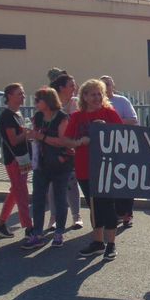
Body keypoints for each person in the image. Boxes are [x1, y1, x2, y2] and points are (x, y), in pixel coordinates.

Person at [65, 79, 123, 261]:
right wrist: (79, 142)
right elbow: (66, 140)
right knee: (93, 207)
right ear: (85, 96)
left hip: (107, 167)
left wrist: (106, 130)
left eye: (100, 94)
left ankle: (111, 244)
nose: (97, 98)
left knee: (107, 205)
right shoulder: (77, 117)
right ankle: (98, 242)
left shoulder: (110, 114)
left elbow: (124, 137)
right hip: (84, 167)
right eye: (93, 94)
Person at [26, 87, 72, 249]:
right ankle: (37, 233)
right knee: (38, 198)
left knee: (60, 198)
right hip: (42, 163)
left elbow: (63, 141)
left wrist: (41, 136)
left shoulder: (61, 117)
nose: (36, 103)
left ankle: (59, 232)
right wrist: (31, 134)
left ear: (48, 101)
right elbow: (35, 136)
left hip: (60, 163)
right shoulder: (38, 117)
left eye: (39, 100)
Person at [0, 83, 33, 239]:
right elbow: (13, 140)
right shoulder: (7, 116)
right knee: (21, 192)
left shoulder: (18, 113)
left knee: (16, 191)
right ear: (9, 96)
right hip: (14, 159)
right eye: (19, 94)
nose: (23, 96)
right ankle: (29, 227)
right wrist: (25, 133)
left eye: (23, 93)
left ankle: (1, 223)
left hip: (23, 158)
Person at [101, 75, 138, 228]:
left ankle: (127, 214)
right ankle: (115, 213)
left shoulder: (122, 101)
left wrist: (113, 122)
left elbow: (133, 120)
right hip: (105, 148)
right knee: (110, 181)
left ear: (113, 86)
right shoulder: (97, 104)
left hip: (123, 146)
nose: (106, 87)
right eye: (103, 85)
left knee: (126, 180)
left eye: (108, 84)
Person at [48, 74, 82, 231]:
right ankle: (53, 218)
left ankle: (77, 217)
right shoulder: (51, 103)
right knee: (52, 185)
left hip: (70, 148)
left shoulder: (76, 103)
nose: (74, 88)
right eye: (71, 85)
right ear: (61, 88)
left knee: (72, 183)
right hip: (53, 148)